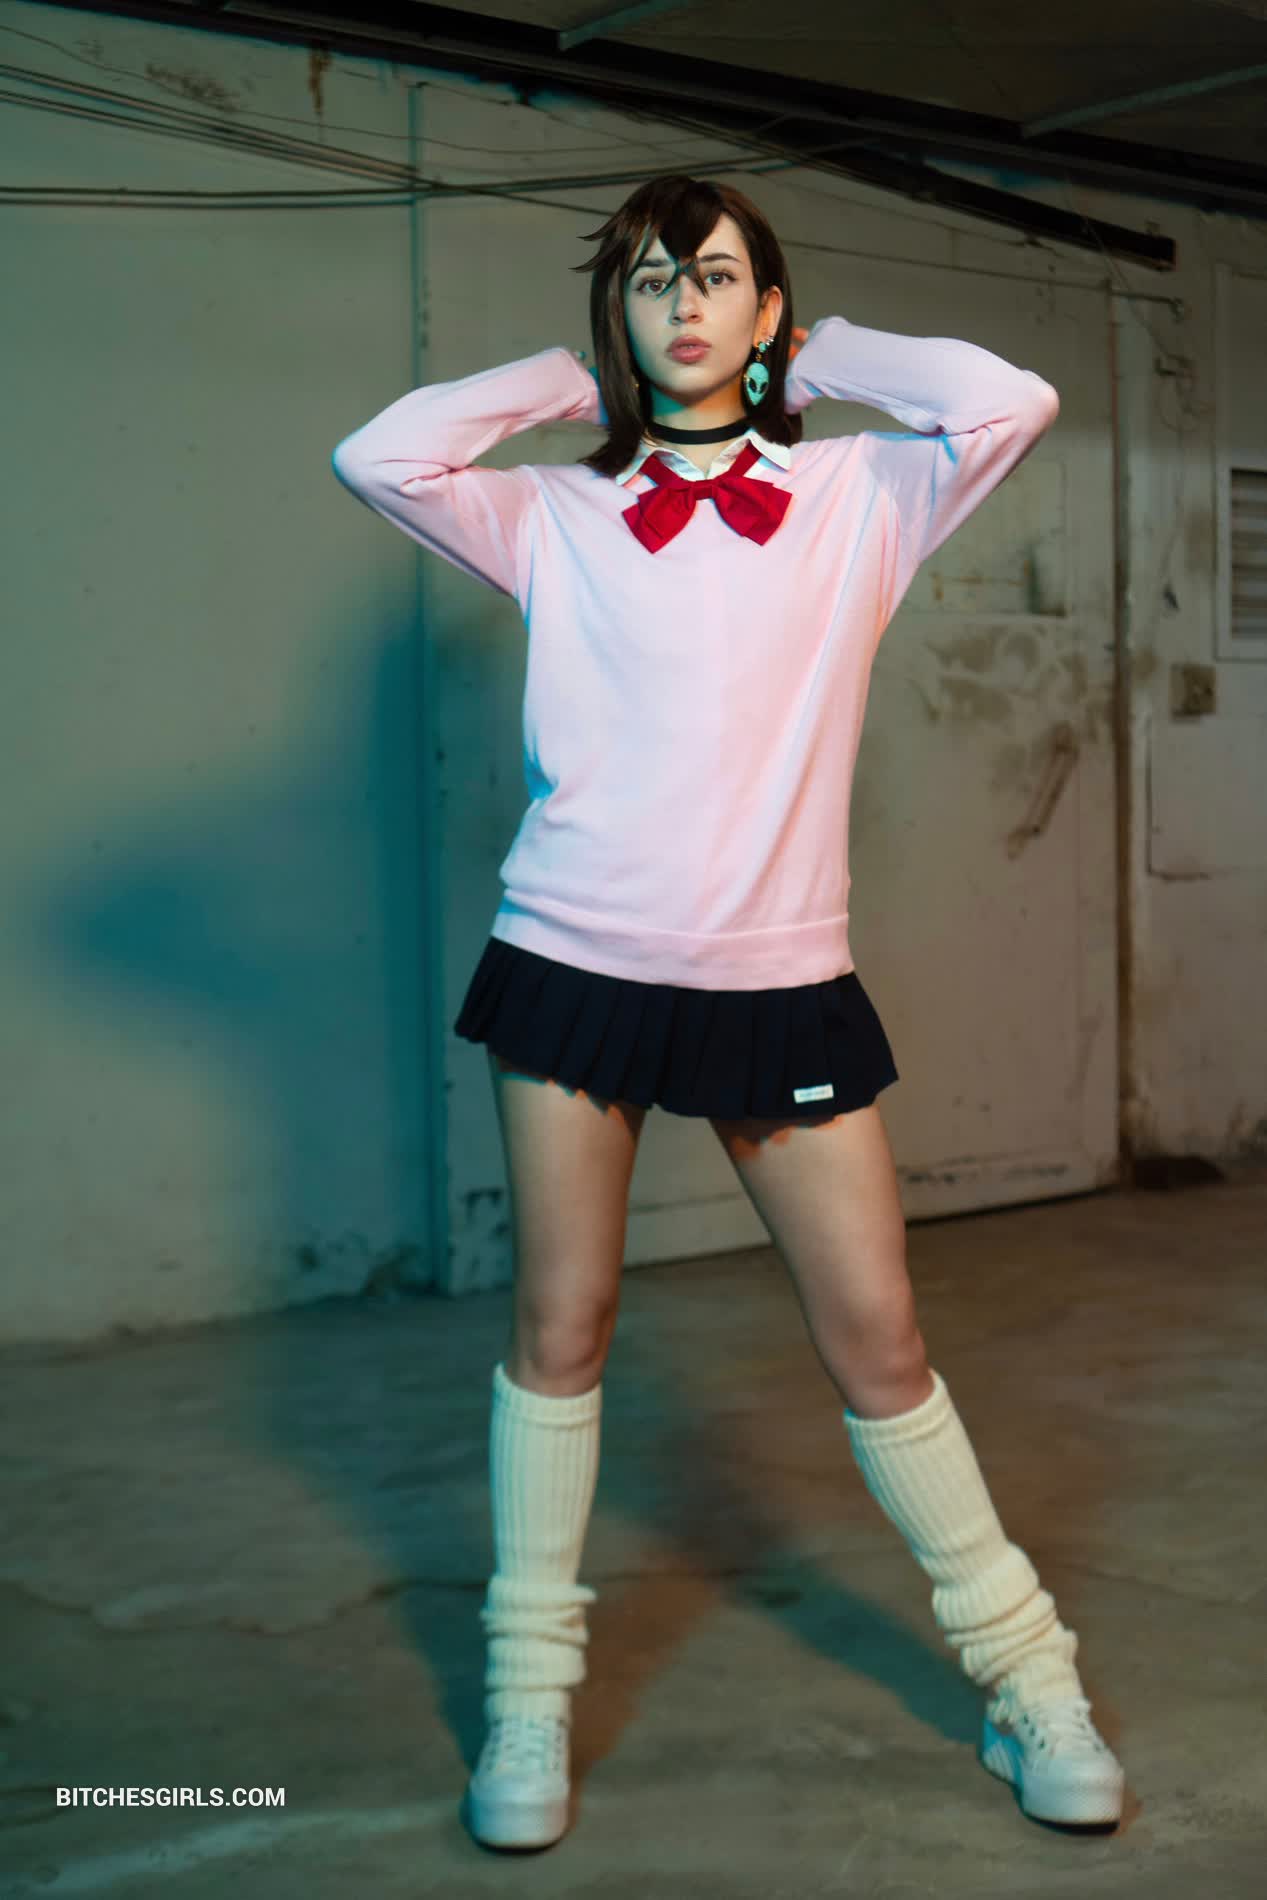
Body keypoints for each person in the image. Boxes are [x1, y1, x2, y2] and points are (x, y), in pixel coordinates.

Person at [331, 173, 1126, 1853]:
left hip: (779, 978)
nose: (680, 306)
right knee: (563, 1329)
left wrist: (825, 358)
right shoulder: (553, 514)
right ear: (618, 316)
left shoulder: (862, 495)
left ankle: (1030, 1678)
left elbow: (1011, 398)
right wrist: (564, 385)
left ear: (763, 311)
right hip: (574, 961)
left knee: (881, 1341)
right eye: (647, 282)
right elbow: (380, 456)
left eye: (711, 278)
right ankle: (529, 1706)